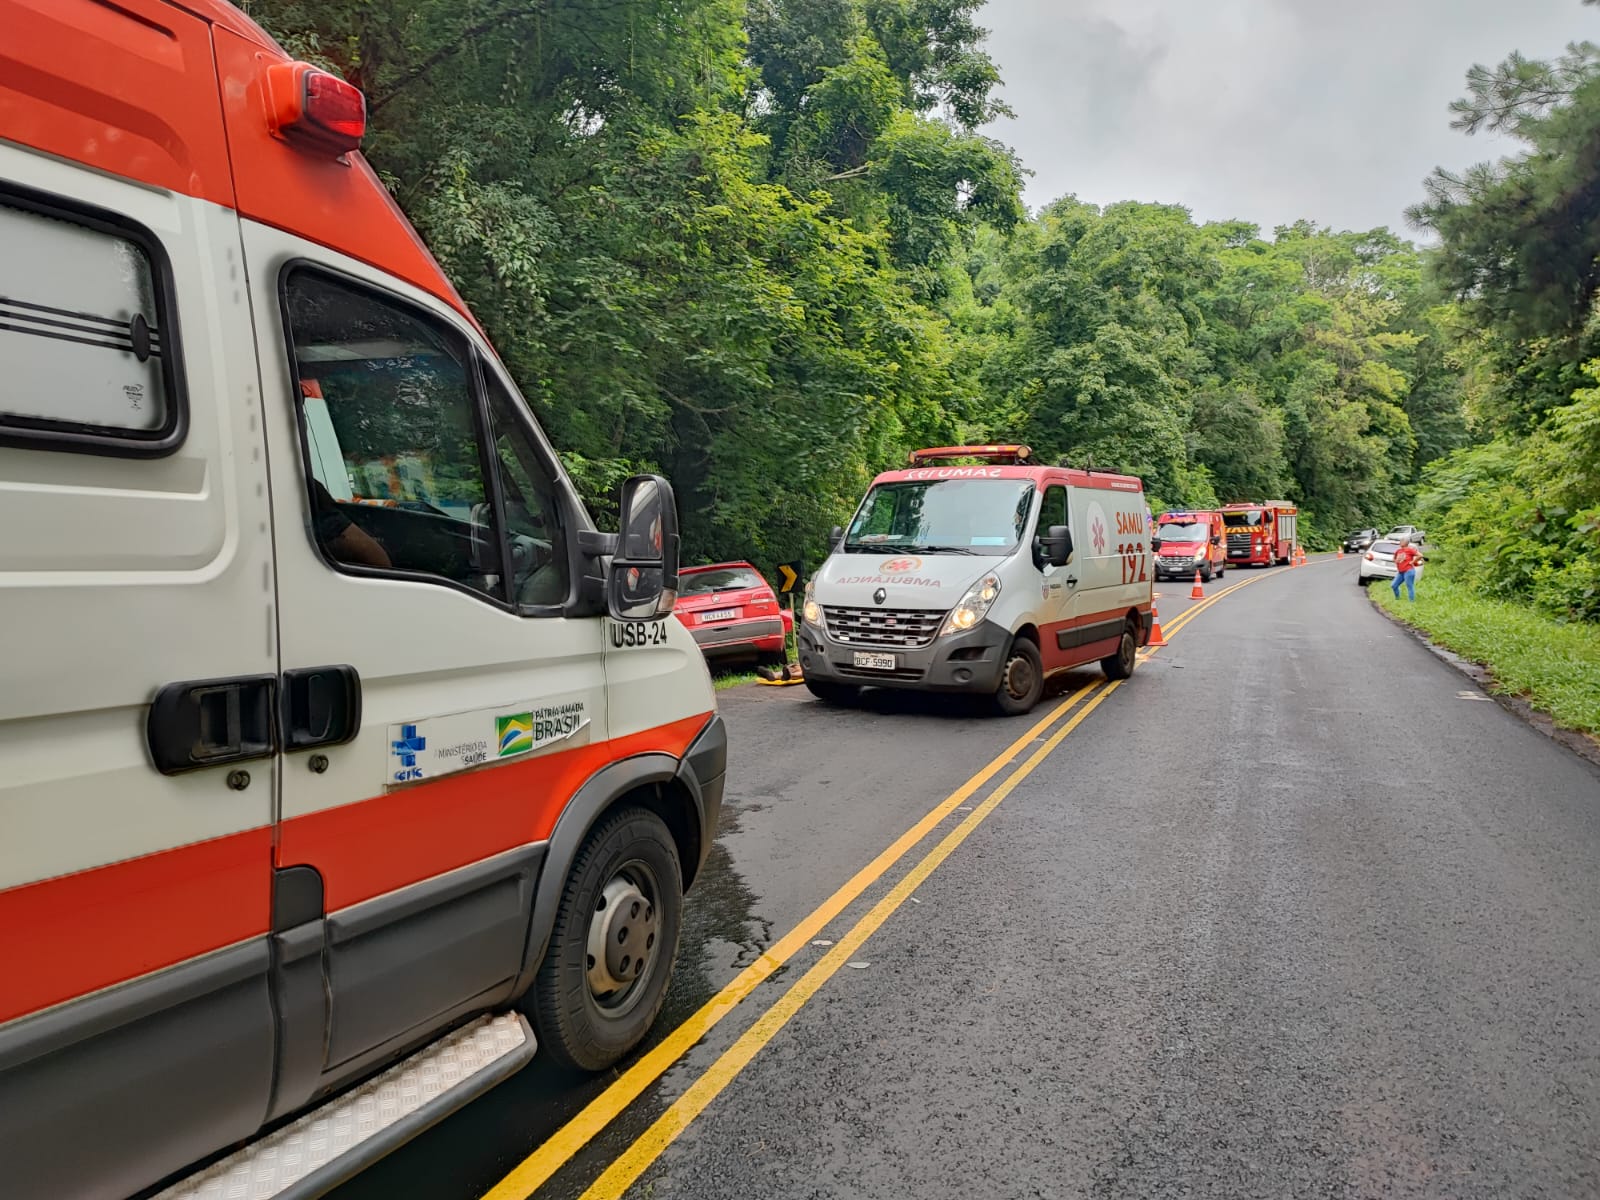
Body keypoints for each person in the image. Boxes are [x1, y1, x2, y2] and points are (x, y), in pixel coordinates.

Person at [1392, 534, 1421, 601]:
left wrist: (1413, 561)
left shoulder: (1410, 550)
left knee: (1409, 586)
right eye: (1400, 541)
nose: (1400, 542)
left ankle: (1411, 601)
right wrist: (1396, 561)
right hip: (1401, 572)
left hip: (1409, 570)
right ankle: (1397, 598)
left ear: (1406, 542)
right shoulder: (1398, 551)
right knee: (1394, 585)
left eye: (1402, 541)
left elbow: (1420, 555)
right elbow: (1394, 558)